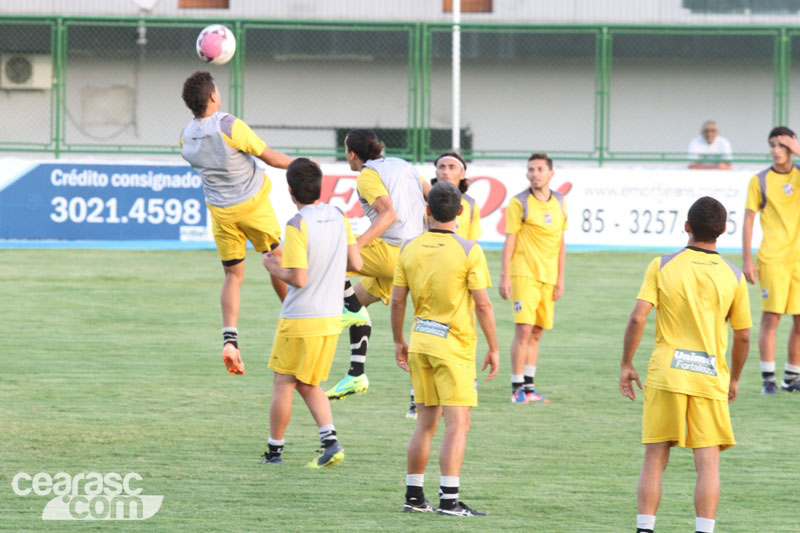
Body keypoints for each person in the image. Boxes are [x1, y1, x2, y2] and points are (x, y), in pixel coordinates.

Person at [619, 196, 751, 533]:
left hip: (666, 374)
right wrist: (734, 379)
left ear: (687, 226)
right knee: (708, 462)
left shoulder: (662, 265)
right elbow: (743, 336)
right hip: (709, 377)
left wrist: (627, 364)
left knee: (655, 455)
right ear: (723, 230)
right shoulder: (734, 277)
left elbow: (637, 318)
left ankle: (645, 529)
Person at [391, 181, 499, 516]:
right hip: (453, 348)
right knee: (458, 424)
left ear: (427, 211)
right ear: (461, 212)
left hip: (420, 343)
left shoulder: (409, 247)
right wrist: (494, 347)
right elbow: (483, 305)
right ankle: (449, 500)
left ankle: (414, 497)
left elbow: (397, 301)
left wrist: (398, 340)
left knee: (425, 424)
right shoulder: (469, 250)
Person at [180, 71, 294, 375]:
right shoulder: (229, 125)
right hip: (252, 204)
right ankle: (293, 315)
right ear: (212, 96)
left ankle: (230, 340)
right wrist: (303, 164)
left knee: (233, 275)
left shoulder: (185, 136)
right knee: (276, 256)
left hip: (221, 211)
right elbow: (271, 157)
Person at [261, 158, 363, 468]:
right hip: (331, 317)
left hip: (301, 317)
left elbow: (299, 277)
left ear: (290, 190)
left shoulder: (297, 223)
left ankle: (274, 453)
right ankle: (330, 443)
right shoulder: (338, 215)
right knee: (308, 382)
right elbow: (356, 264)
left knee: (283, 383)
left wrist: (274, 268)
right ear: (321, 186)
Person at [325, 129, 428, 400]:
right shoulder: (403, 165)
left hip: (391, 251)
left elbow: (389, 214)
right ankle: (355, 375)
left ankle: (351, 313)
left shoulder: (367, 176)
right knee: (357, 300)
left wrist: (357, 246)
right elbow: (430, 195)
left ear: (352, 154)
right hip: (413, 253)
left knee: (331, 256)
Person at [404, 151, 482, 420]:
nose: (446, 171)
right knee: (427, 326)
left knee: (462, 331)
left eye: (451, 167)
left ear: (462, 174)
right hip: (431, 272)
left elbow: (472, 240)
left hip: (460, 273)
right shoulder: (426, 203)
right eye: (441, 166)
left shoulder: (470, 205)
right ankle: (418, 397)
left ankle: (461, 386)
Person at [499, 153, 566, 404]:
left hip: (548, 277)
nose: (534, 174)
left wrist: (560, 277)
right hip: (524, 274)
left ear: (551, 173)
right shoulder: (519, 202)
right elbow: (510, 239)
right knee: (524, 330)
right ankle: (517, 388)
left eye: (539, 169)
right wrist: (505, 276)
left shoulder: (560, 202)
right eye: (531, 170)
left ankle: (529, 387)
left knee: (537, 332)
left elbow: (560, 242)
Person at [742, 126, 800, 394]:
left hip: (798, 260)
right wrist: (747, 260)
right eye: (773, 145)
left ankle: (791, 379)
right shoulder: (760, 180)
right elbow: (748, 220)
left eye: (782, 145)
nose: (776, 150)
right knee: (772, 317)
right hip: (773, 259)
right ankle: (768, 380)